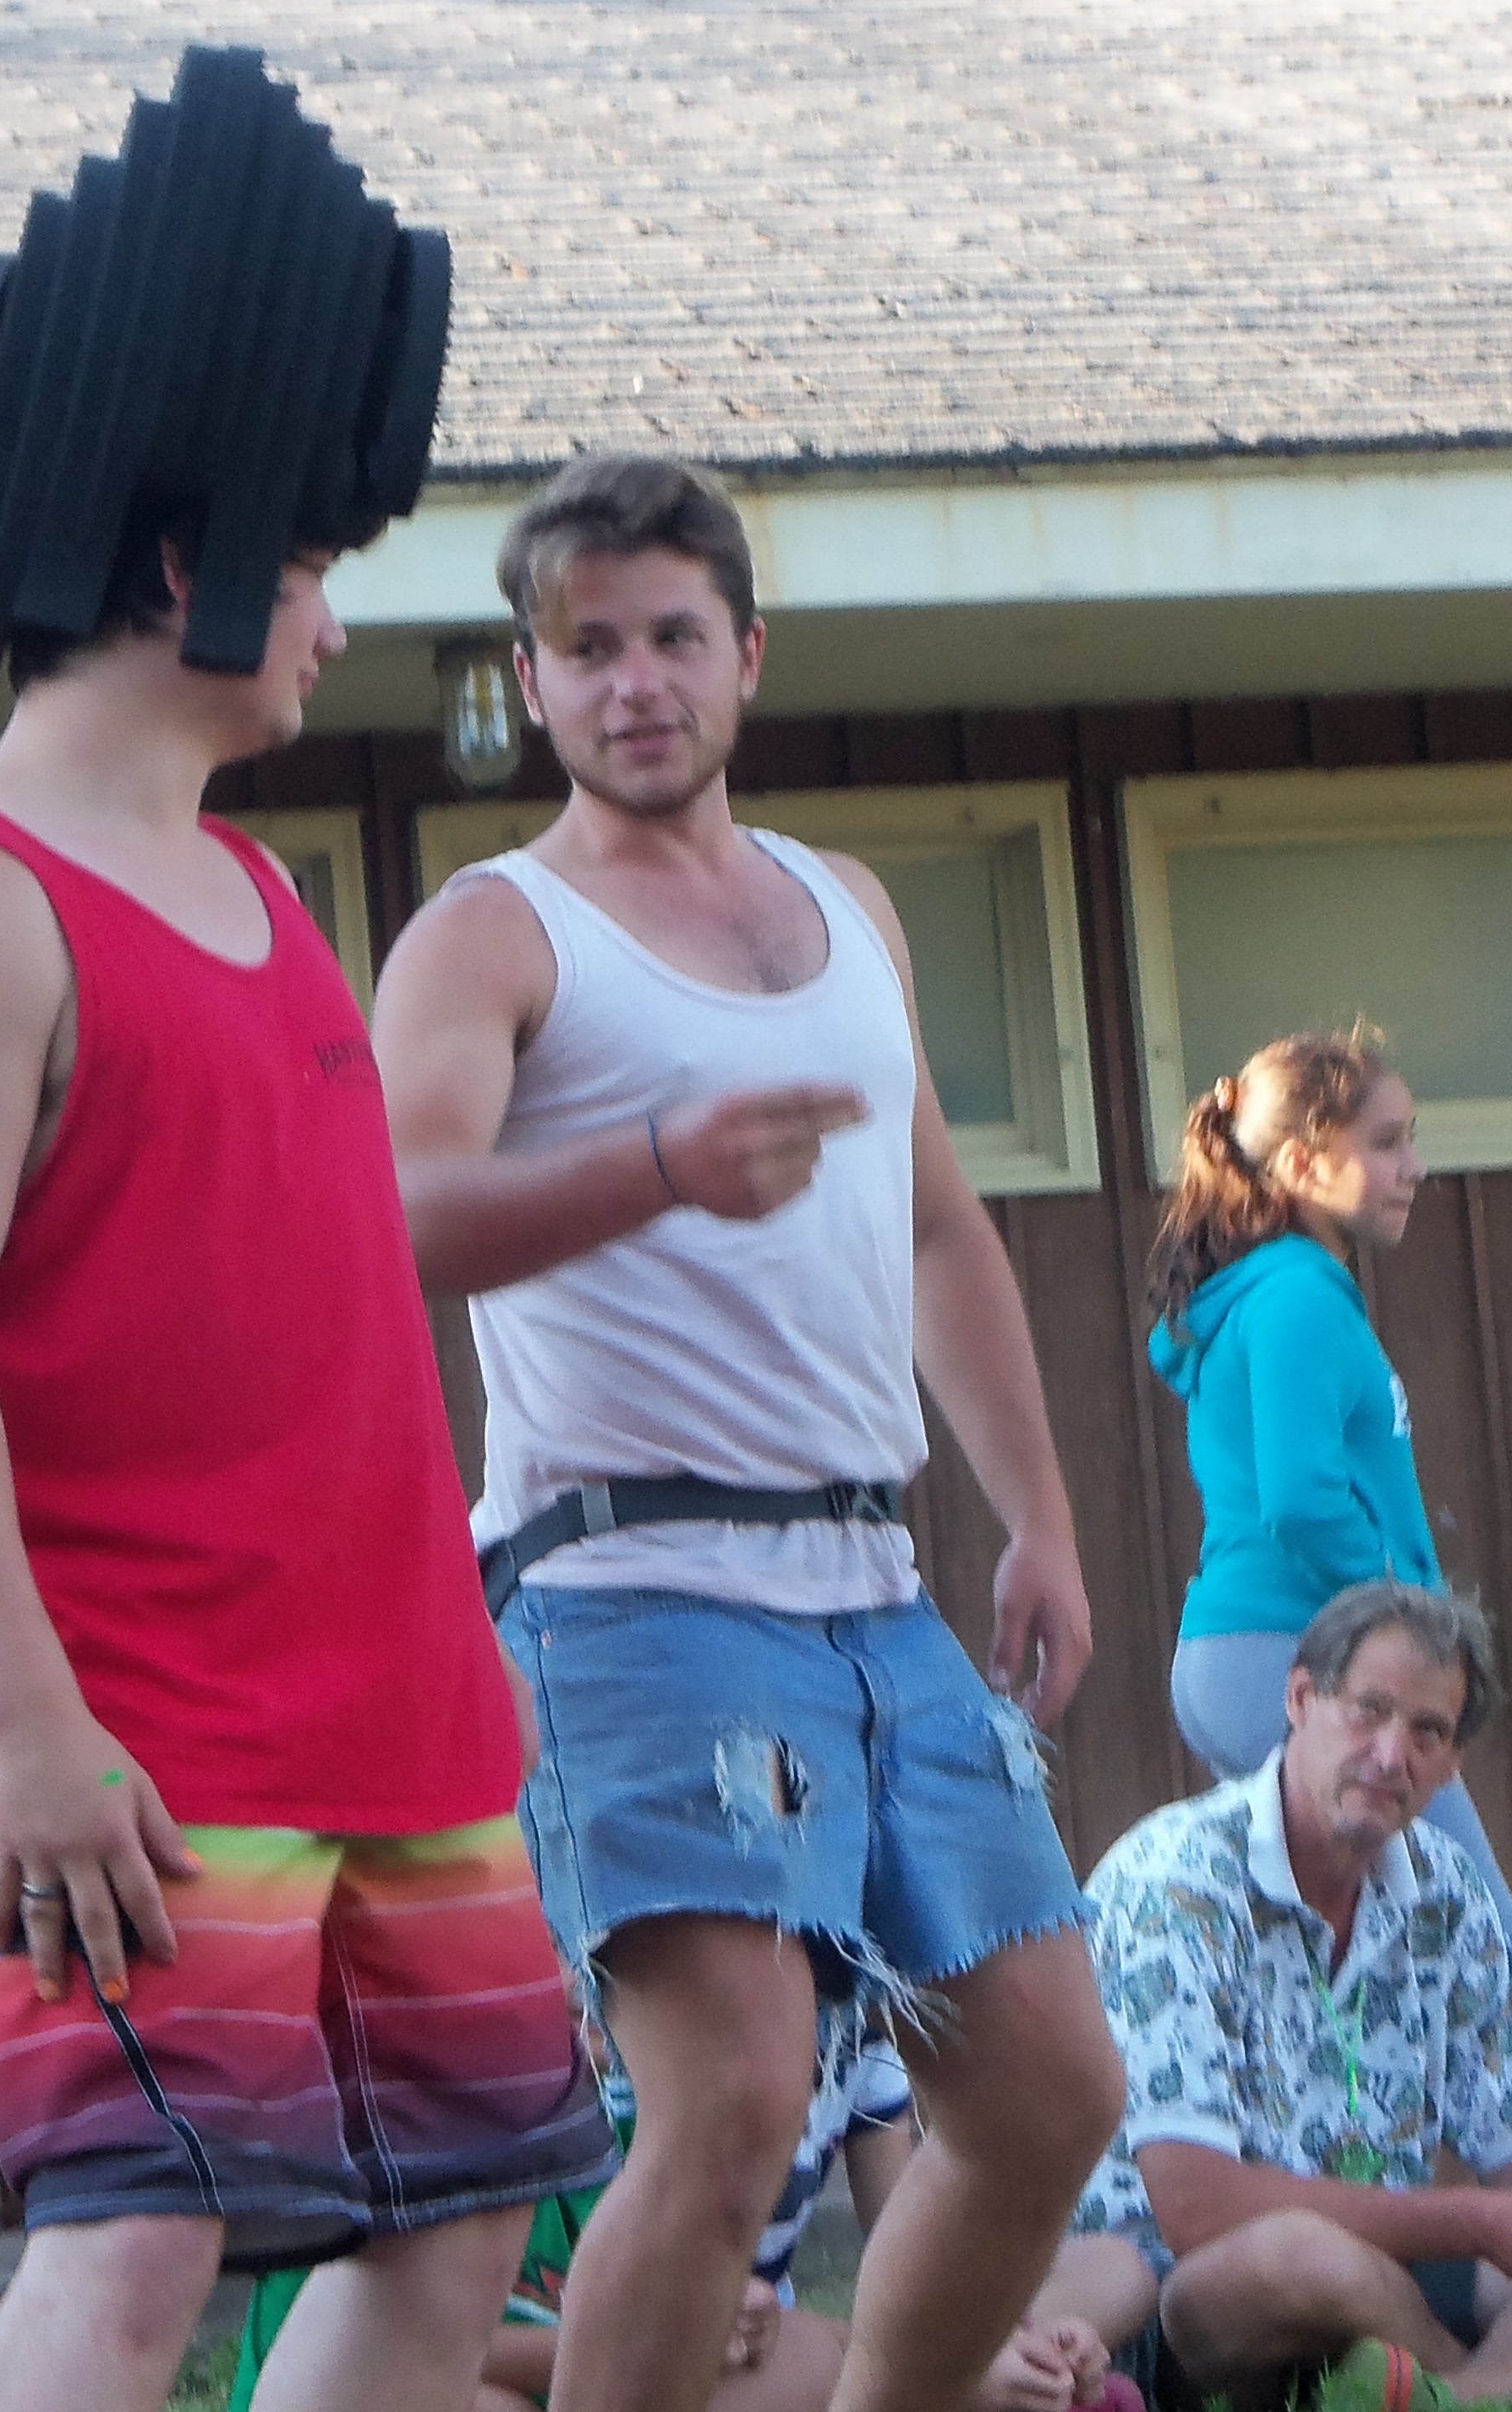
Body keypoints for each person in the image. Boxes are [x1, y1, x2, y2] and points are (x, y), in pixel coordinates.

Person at [0, 47, 613, 2412]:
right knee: (142, 2242)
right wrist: (29, 1732)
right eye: (315, 570)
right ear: (186, 564)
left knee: (463, 2223)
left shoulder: (264, 893)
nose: (336, 624)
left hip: (403, 1705)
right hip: (142, 1732)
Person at [370, 451, 1128, 2412]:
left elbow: (936, 1224)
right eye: (587, 648)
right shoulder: (494, 932)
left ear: (745, 657)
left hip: (869, 1581)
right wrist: (655, 1163)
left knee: (1047, 2088)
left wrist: (1036, 1513)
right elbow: (395, 1211)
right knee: (734, 2098)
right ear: (530, 681)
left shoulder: (844, 904)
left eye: (670, 638)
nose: (633, 682)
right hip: (626, 1582)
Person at [1074, 1582, 1512, 2409]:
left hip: (1400, 2268)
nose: (1389, 1755)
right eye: (1368, 1712)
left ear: (1452, 1763)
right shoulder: (1176, 1883)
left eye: (1427, 1732)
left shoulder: (1448, 1891)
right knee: (1301, 2255)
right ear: (1300, 1699)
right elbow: (1196, 2208)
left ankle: (1462, 2391)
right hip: (1199, 2288)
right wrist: (1484, 2225)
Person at [1143, 1026, 1512, 1976]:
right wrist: (1418, 1624)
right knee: (1478, 1945)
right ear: (1304, 1164)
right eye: (1387, 1143)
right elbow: (1301, 1498)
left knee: (1347, 1949)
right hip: (1283, 1652)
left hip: (1259, 1655)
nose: (1415, 1167)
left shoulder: (1281, 1294)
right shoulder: (1297, 1299)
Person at [230, 2036, 1159, 2412]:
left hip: (632, 2380)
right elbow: (383, 2365)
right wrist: (680, 2326)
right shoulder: (393, 2142)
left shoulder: (607, 2145)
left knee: (1118, 2266)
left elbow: (899, 2251)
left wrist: (716, 2317)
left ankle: (994, 2375)